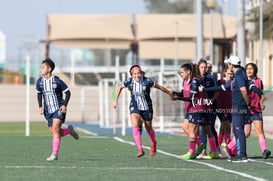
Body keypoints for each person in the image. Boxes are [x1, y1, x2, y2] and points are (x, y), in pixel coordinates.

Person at [113, 65, 172, 157]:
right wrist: (115, 100)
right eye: (135, 74)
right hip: (135, 106)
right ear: (132, 75)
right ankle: (140, 149)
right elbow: (120, 87)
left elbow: (159, 87)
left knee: (148, 128)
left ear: (141, 73)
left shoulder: (147, 81)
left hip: (147, 107)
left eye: (139, 73)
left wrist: (169, 92)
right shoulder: (129, 82)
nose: (137, 75)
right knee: (135, 124)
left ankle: (153, 143)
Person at [200, 56, 251, 162]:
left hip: (239, 107)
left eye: (229, 64)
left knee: (238, 130)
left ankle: (242, 155)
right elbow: (221, 88)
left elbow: (244, 90)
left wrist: (248, 104)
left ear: (232, 65)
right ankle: (239, 153)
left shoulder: (239, 75)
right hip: (237, 107)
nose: (228, 66)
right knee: (237, 131)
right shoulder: (238, 75)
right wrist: (204, 89)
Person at [36, 58, 79, 161]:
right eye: (41, 67)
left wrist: (64, 105)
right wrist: (40, 106)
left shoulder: (57, 81)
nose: (41, 69)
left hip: (58, 108)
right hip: (48, 110)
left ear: (49, 69)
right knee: (56, 132)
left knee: (55, 128)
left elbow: (68, 93)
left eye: (43, 67)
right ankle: (69, 131)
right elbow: (39, 94)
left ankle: (54, 155)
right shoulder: (39, 82)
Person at [170, 63, 204, 159]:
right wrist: (174, 93)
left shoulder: (194, 82)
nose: (181, 74)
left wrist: (177, 99)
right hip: (190, 109)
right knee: (185, 127)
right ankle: (200, 143)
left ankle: (192, 152)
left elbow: (191, 98)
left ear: (188, 72)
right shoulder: (185, 81)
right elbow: (183, 93)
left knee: (192, 131)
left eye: (182, 72)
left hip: (196, 109)